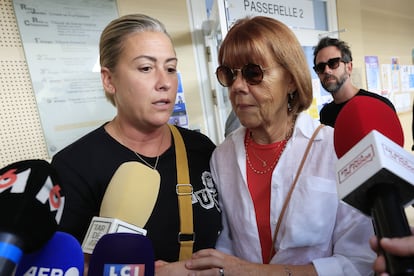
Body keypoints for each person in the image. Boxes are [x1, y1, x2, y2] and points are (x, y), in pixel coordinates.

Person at [185, 16, 376, 275]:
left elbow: (359, 261)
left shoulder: (334, 149)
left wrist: (254, 272)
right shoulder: (223, 156)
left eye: (253, 73)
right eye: (229, 74)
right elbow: (228, 244)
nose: (238, 87)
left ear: (290, 80)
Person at [51, 14, 221, 274]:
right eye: (145, 68)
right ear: (109, 80)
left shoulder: (200, 148)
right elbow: (68, 267)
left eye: (171, 68)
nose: (164, 82)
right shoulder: (74, 166)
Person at [313, 37, 396, 127]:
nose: (326, 70)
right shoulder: (326, 114)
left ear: (349, 67)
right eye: (320, 67)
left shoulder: (379, 105)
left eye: (333, 63)